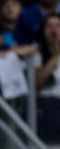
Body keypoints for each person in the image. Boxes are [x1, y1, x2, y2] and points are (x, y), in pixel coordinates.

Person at [34, 13, 60, 141]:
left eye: (57, 26)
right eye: (49, 26)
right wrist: (56, 56)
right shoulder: (36, 56)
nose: (54, 30)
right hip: (46, 110)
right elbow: (37, 83)